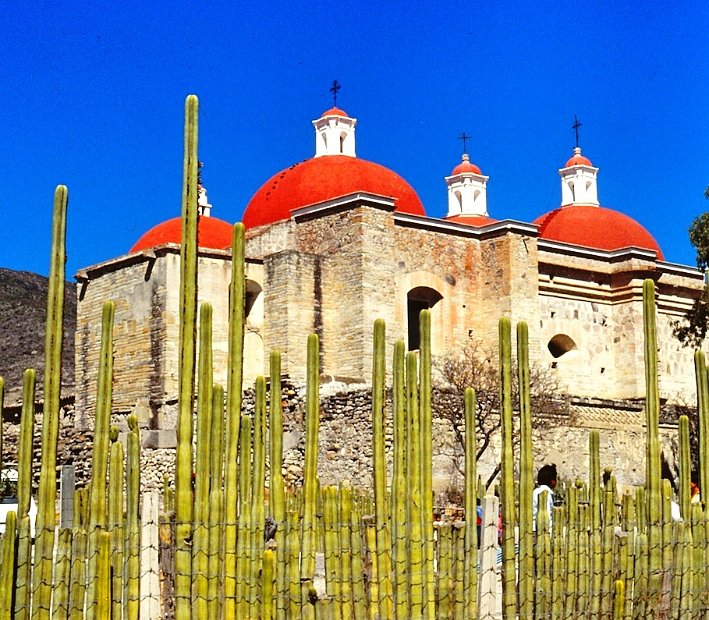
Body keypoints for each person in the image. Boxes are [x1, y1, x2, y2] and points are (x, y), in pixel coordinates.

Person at [532, 463, 557, 531]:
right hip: (542, 531)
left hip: (533, 528)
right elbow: (547, 515)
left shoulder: (535, 491)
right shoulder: (546, 493)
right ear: (552, 481)